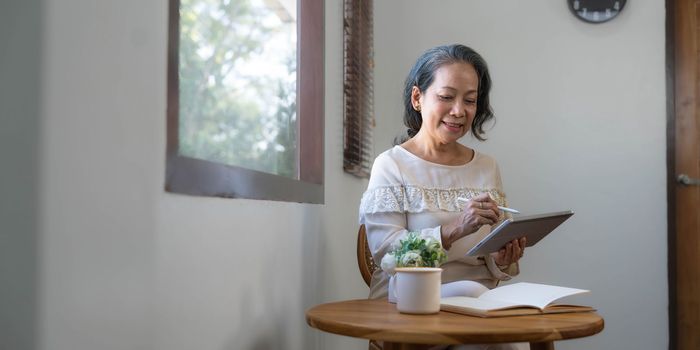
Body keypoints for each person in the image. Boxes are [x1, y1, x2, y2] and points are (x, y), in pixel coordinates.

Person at [359, 44, 526, 302]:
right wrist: (456, 228)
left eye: (470, 100)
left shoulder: (487, 166)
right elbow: (389, 256)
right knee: (492, 324)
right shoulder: (391, 165)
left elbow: (491, 259)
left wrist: (501, 259)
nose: (459, 111)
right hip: (410, 300)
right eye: (446, 97)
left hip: (481, 300)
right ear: (417, 98)